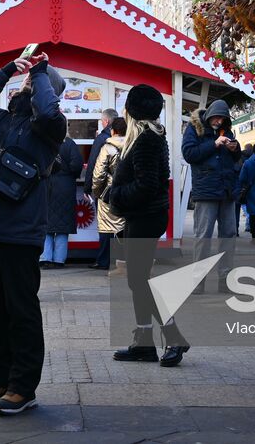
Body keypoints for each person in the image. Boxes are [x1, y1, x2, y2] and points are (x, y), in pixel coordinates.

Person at [0, 50, 67, 416]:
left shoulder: (50, 130)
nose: (23, 86)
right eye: (24, 81)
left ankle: (23, 386)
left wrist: (38, 71)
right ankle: (0, 378)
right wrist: (8, 70)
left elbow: (49, 111)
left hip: (20, 233)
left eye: (31, 84)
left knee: (20, 309)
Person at [104, 85, 189, 366]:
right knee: (137, 281)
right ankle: (143, 343)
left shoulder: (146, 139)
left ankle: (173, 335)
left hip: (145, 216)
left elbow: (147, 184)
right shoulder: (147, 136)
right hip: (141, 216)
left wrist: (116, 195)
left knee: (140, 281)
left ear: (131, 110)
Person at [183, 99, 241, 289]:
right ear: (209, 115)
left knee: (229, 234)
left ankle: (225, 280)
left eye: (222, 119)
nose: (219, 121)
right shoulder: (194, 129)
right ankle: (198, 281)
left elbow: (234, 159)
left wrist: (235, 149)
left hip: (227, 191)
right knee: (203, 236)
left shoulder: (228, 131)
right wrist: (214, 144)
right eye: (216, 117)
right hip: (206, 191)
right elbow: (189, 154)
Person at [89, 117, 128, 271]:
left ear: (113, 131)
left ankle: (104, 261)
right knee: (126, 226)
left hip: (110, 192)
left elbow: (98, 174)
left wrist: (98, 192)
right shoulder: (134, 145)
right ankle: (125, 260)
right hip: (129, 191)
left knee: (106, 228)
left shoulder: (108, 147)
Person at [82, 108, 119, 267]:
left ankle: (103, 260)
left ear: (105, 121)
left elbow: (93, 165)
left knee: (105, 226)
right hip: (124, 189)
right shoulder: (128, 139)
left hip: (105, 190)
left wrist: (87, 187)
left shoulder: (102, 140)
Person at [42, 137, 85, 268]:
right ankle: (59, 260)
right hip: (66, 186)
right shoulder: (69, 143)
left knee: (46, 224)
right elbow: (77, 164)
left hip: (46, 185)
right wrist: (70, 174)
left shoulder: (45, 141)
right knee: (62, 226)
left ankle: (45, 258)